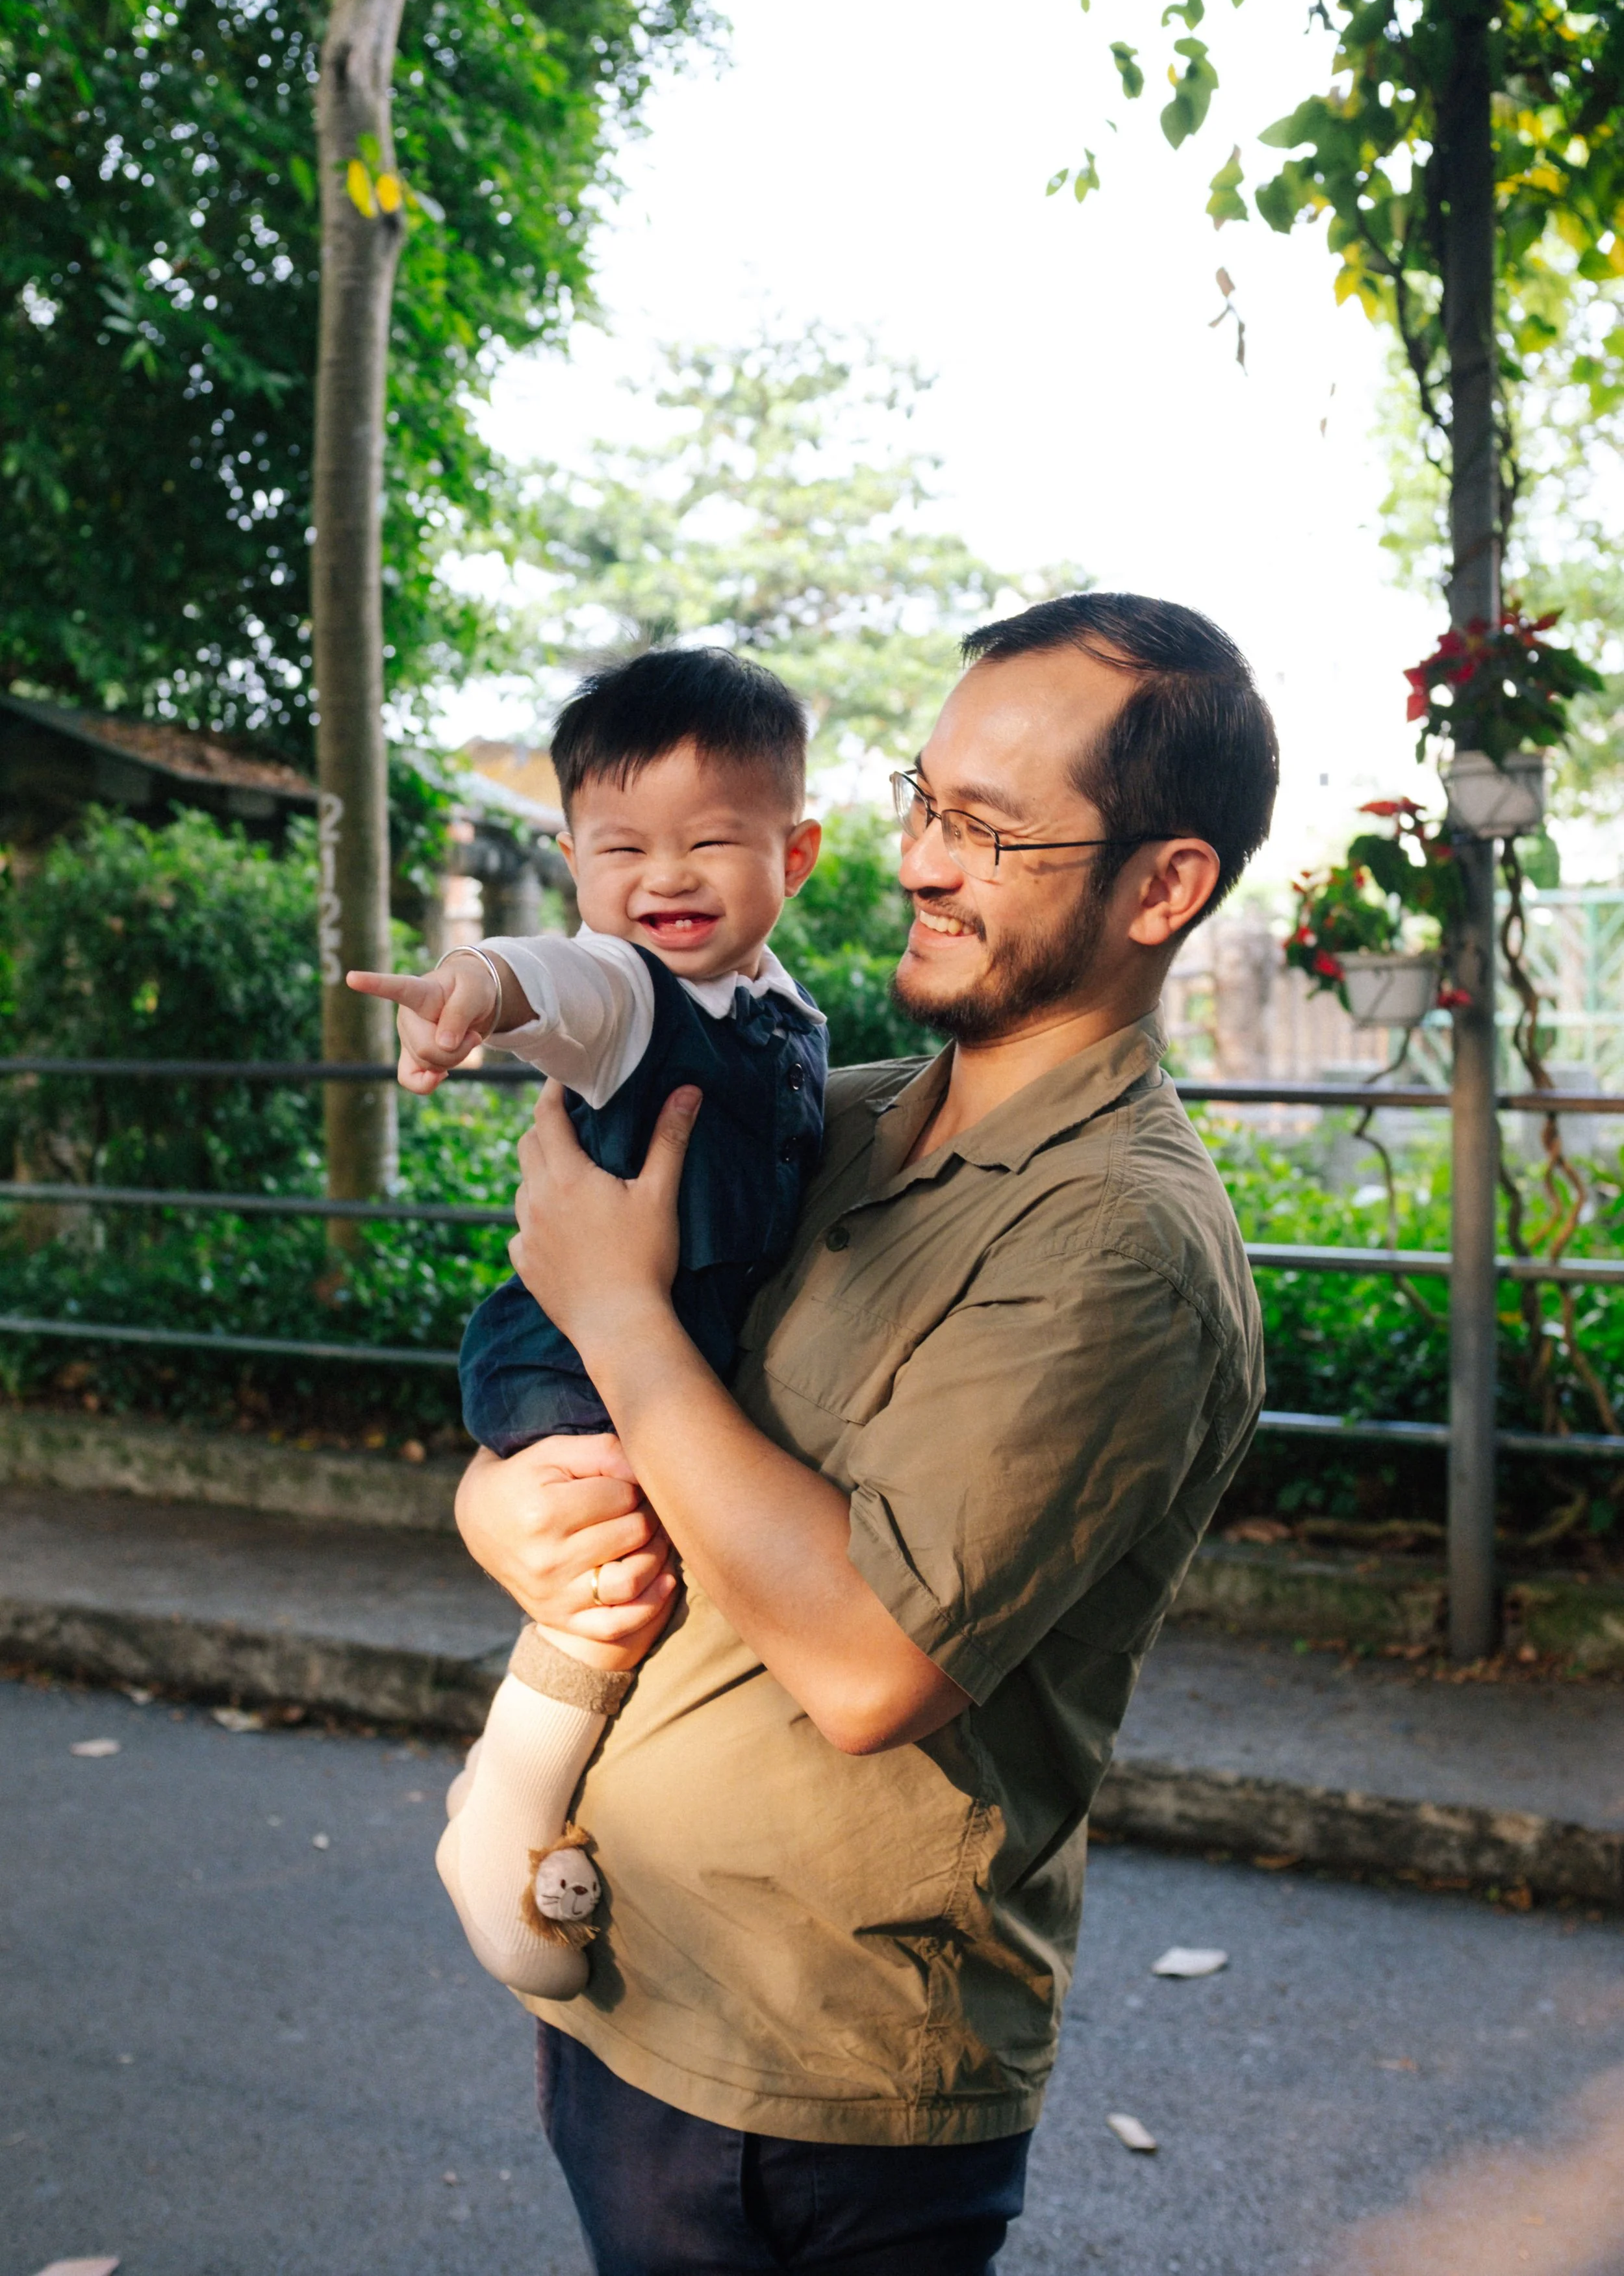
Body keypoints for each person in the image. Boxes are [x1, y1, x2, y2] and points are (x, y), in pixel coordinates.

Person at [453, 592, 1278, 2276]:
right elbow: (601, 1398)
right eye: (921, 798)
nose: (918, 859)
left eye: (987, 827)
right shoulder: (822, 1115)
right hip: (632, 1979)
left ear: (1162, 883)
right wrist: (498, 1498)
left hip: (813, 2080)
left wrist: (613, 1307)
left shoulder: (1113, 1239)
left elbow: (867, 1661)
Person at [348, 649, 828, 1997]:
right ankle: (502, 1814)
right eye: (621, 848)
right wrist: (471, 994)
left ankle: (545, 1806)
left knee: (653, 1551)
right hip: (568, 1356)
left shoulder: (788, 1017)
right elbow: (542, 982)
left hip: (665, 1349)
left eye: (710, 841)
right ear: (572, 861)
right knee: (611, 1565)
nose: (663, 878)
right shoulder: (628, 997)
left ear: (794, 853)